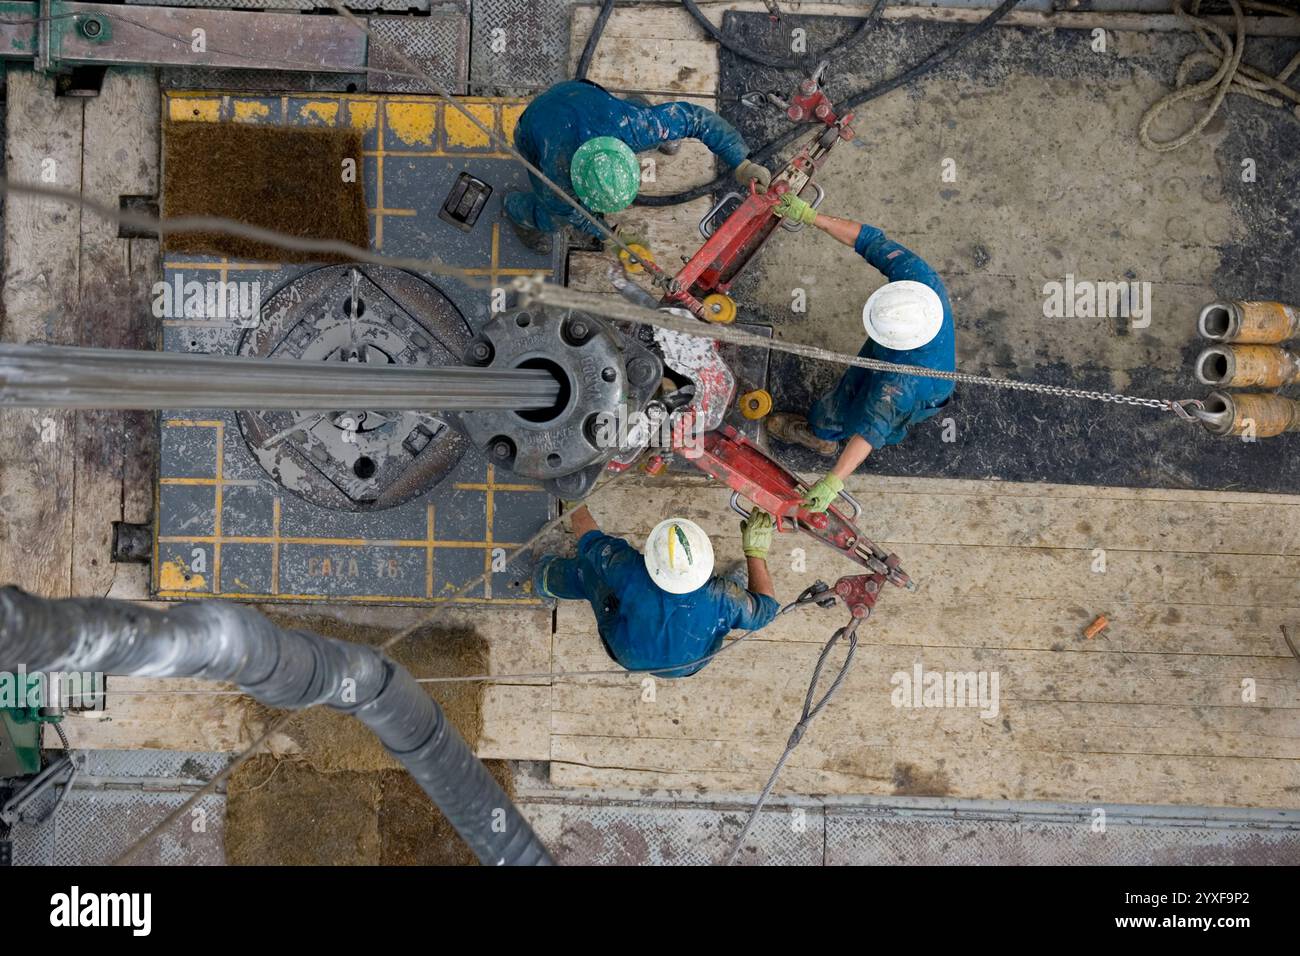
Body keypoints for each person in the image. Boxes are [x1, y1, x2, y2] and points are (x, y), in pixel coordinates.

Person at [765, 192, 957, 513]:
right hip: (892, 354)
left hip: (919, 388)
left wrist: (833, 481)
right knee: (857, 384)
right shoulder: (921, 283)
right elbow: (869, 241)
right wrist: (811, 216)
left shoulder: (900, 386)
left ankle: (824, 437)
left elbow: (871, 430)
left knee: (842, 414)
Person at [505, 80, 771, 248]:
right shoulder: (557, 177)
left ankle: (643, 111)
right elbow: (572, 213)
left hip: (575, 95)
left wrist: (741, 163)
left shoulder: (633, 126)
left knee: (637, 113)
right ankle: (516, 210)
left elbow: (695, 119)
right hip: (534, 126)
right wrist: (604, 234)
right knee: (552, 219)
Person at [533, 504, 780, 677]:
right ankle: (738, 584)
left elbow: (591, 541)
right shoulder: (724, 599)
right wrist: (755, 553)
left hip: (628, 653)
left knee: (591, 572)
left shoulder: (629, 571)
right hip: (687, 665)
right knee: (731, 604)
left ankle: (545, 577)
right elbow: (765, 610)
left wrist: (574, 499)